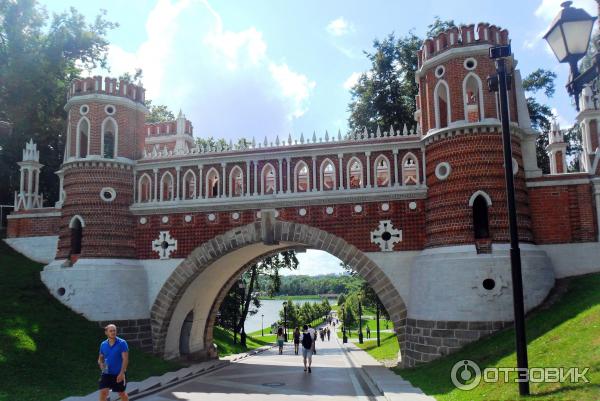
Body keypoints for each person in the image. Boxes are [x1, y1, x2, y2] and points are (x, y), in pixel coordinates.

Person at [98, 324, 129, 401]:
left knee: (121, 393)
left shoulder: (122, 343)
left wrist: (121, 373)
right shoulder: (103, 344)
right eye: (111, 331)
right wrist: (101, 364)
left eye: (114, 330)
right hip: (106, 373)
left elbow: (125, 359)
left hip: (118, 373)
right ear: (106, 332)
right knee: (103, 392)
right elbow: (101, 358)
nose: (113, 332)